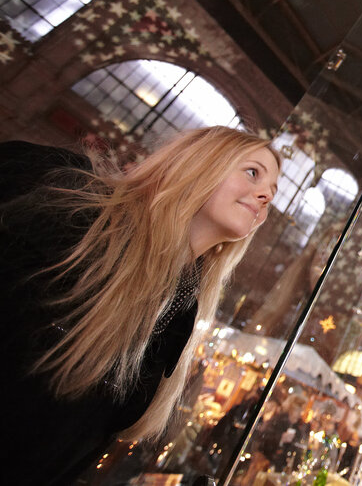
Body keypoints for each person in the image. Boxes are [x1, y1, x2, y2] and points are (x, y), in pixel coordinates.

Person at [0, 126, 280, 485]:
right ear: (202, 161)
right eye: (253, 173)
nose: (264, 196)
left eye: (271, 194)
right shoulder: (77, 207)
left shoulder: (180, 312)